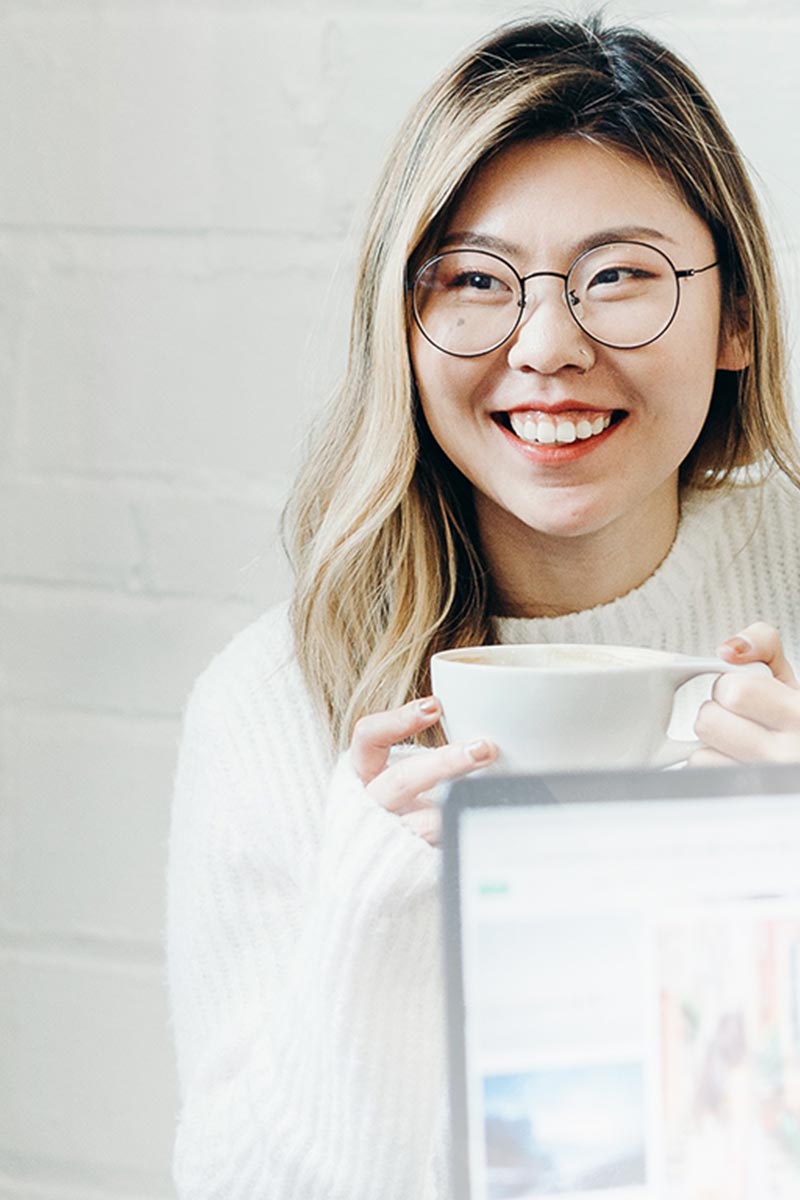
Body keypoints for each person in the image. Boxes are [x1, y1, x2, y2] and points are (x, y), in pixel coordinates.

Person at [167, 13, 800, 1199]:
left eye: (618, 277)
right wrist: (367, 916)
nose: (547, 345)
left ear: (735, 320)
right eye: (471, 281)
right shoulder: (272, 707)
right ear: (401, 328)